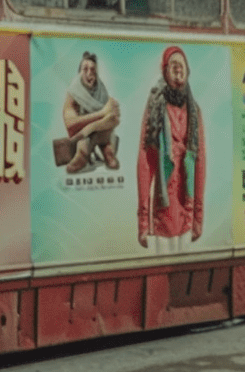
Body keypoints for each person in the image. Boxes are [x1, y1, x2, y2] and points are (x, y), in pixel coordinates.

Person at [136, 46, 206, 252]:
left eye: (181, 64)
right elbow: (145, 162)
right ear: (165, 71)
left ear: (188, 70)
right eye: (172, 64)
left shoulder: (195, 112)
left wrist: (198, 218)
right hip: (161, 212)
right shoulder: (155, 108)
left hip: (187, 208)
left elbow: (200, 164)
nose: (178, 68)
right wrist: (143, 223)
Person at [62, 51, 121, 173]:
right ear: (79, 73)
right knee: (84, 144)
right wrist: (102, 113)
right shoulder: (73, 93)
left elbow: (114, 119)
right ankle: (82, 155)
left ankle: (106, 150)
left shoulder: (101, 90)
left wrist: (92, 126)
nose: (89, 74)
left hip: (99, 133)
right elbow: (70, 125)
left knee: (108, 130)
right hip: (81, 137)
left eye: (93, 70)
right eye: (85, 69)